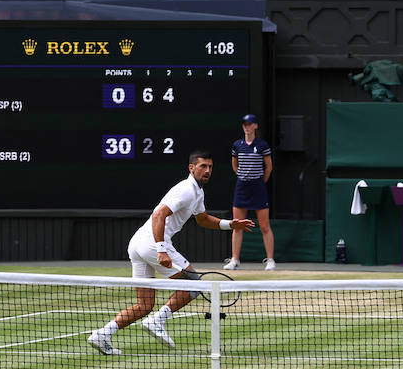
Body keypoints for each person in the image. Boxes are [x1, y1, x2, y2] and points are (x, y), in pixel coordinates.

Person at [88, 152, 253, 355]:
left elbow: (202, 219)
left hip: (138, 243)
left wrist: (230, 224)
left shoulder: (197, 193)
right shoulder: (185, 190)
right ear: (192, 168)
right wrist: (161, 249)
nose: (207, 170)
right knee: (193, 283)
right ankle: (158, 320)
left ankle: (102, 334)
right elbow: (159, 214)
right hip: (151, 244)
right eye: (202, 166)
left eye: (210, 167)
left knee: (145, 304)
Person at [223, 115, 276, 271]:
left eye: (249, 124)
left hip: (258, 187)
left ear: (255, 126)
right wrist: (243, 176)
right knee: (237, 225)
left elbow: (269, 167)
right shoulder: (237, 145)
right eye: (244, 124)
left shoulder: (262, 145)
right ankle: (235, 260)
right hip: (242, 188)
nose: (246, 127)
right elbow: (235, 165)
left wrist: (259, 182)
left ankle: (270, 260)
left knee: (264, 225)